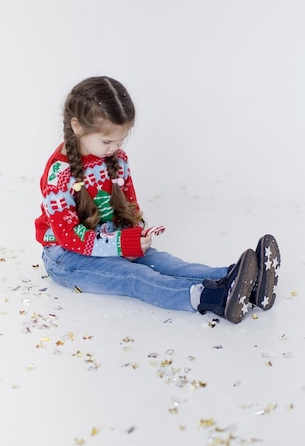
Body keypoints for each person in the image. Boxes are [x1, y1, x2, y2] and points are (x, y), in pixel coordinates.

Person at [35, 76, 280, 324]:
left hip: (110, 241)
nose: (115, 147)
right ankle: (211, 298)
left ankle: (237, 279)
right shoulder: (60, 174)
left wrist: (135, 236)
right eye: (107, 141)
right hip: (66, 257)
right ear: (77, 127)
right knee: (134, 277)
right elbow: (69, 236)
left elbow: (129, 206)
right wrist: (122, 245)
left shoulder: (117, 160)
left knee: (165, 262)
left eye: (121, 139)